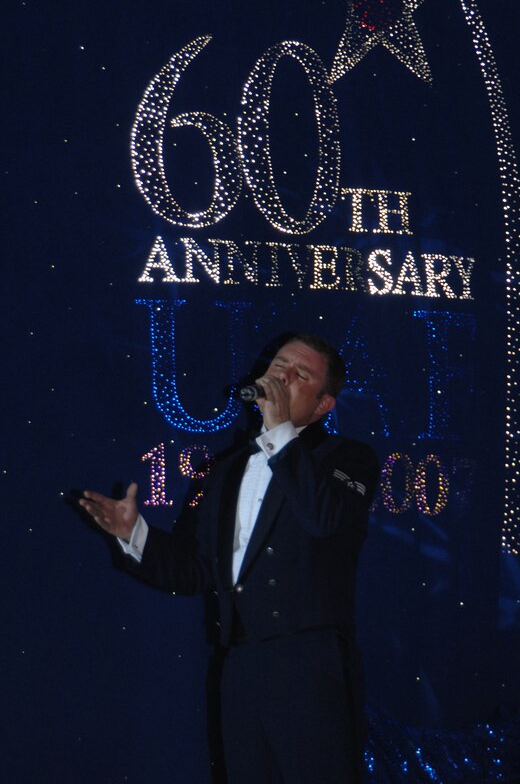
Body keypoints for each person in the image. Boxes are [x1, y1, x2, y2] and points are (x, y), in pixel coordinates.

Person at [80, 333, 379, 783]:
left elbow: (324, 519)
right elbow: (198, 569)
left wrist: (280, 431)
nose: (282, 375)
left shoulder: (347, 458)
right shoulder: (227, 468)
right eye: (279, 364)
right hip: (239, 666)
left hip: (309, 665)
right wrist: (133, 534)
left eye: (300, 375)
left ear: (322, 406)